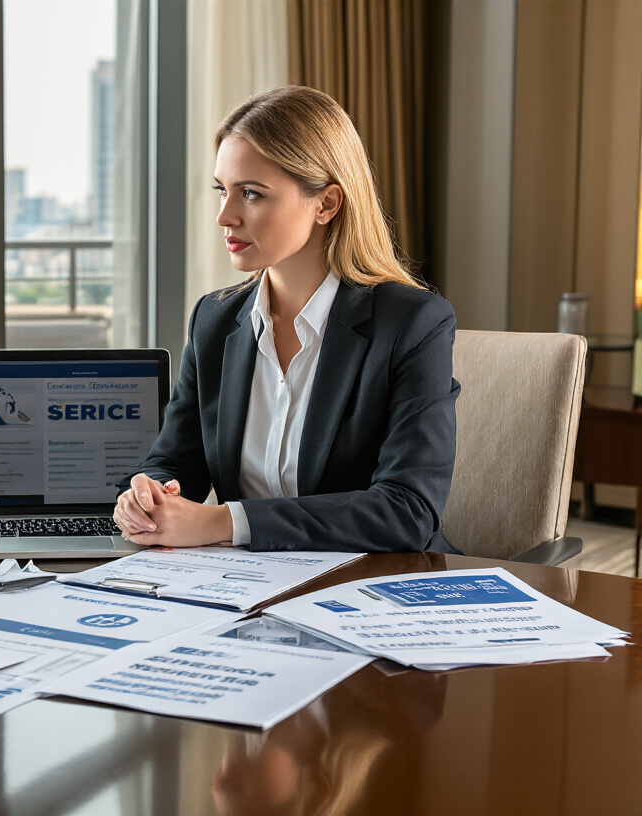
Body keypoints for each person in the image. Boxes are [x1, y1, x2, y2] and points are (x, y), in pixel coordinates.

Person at [113, 85, 459, 554]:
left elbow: (407, 511)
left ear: (327, 204)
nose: (225, 216)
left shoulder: (412, 325)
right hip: (244, 590)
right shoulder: (214, 321)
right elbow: (176, 462)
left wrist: (225, 522)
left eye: (251, 194)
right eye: (222, 190)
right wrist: (146, 496)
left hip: (373, 588)